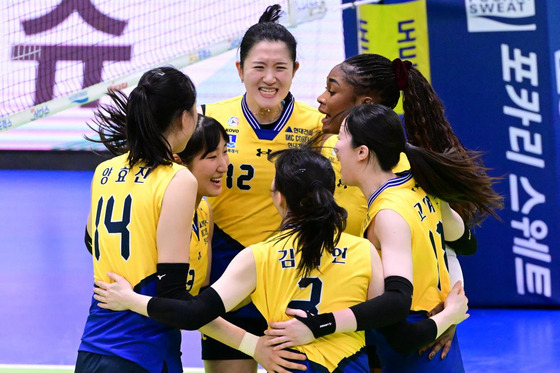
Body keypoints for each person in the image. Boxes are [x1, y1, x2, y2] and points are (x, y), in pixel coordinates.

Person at [91, 147, 470, 373]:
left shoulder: (259, 257)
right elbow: (402, 337)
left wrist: (130, 300)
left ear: (279, 199)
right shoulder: (363, 252)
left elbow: (191, 314)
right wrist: (448, 316)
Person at [77, 67, 304, 373]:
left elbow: (94, 241)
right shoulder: (177, 180)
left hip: (95, 347)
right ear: (184, 119)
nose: (224, 165)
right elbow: (176, 301)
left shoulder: (106, 170)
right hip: (142, 353)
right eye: (212, 156)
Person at [265, 104, 503, 372]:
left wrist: (451, 314)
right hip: (432, 332)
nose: (335, 148)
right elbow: (464, 243)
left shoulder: (389, 213)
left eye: (341, 139)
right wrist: (452, 307)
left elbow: (397, 307)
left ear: (362, 152)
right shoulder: (417, 185)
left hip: (419, 339)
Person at [200, 4, 323, 372]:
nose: (269, 78)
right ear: (240, 70)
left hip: (296, 267)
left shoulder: (319, 126)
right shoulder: (209, 119)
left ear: (295, 71)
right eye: (259, 67)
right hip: (226, 262)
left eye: (280, 68)